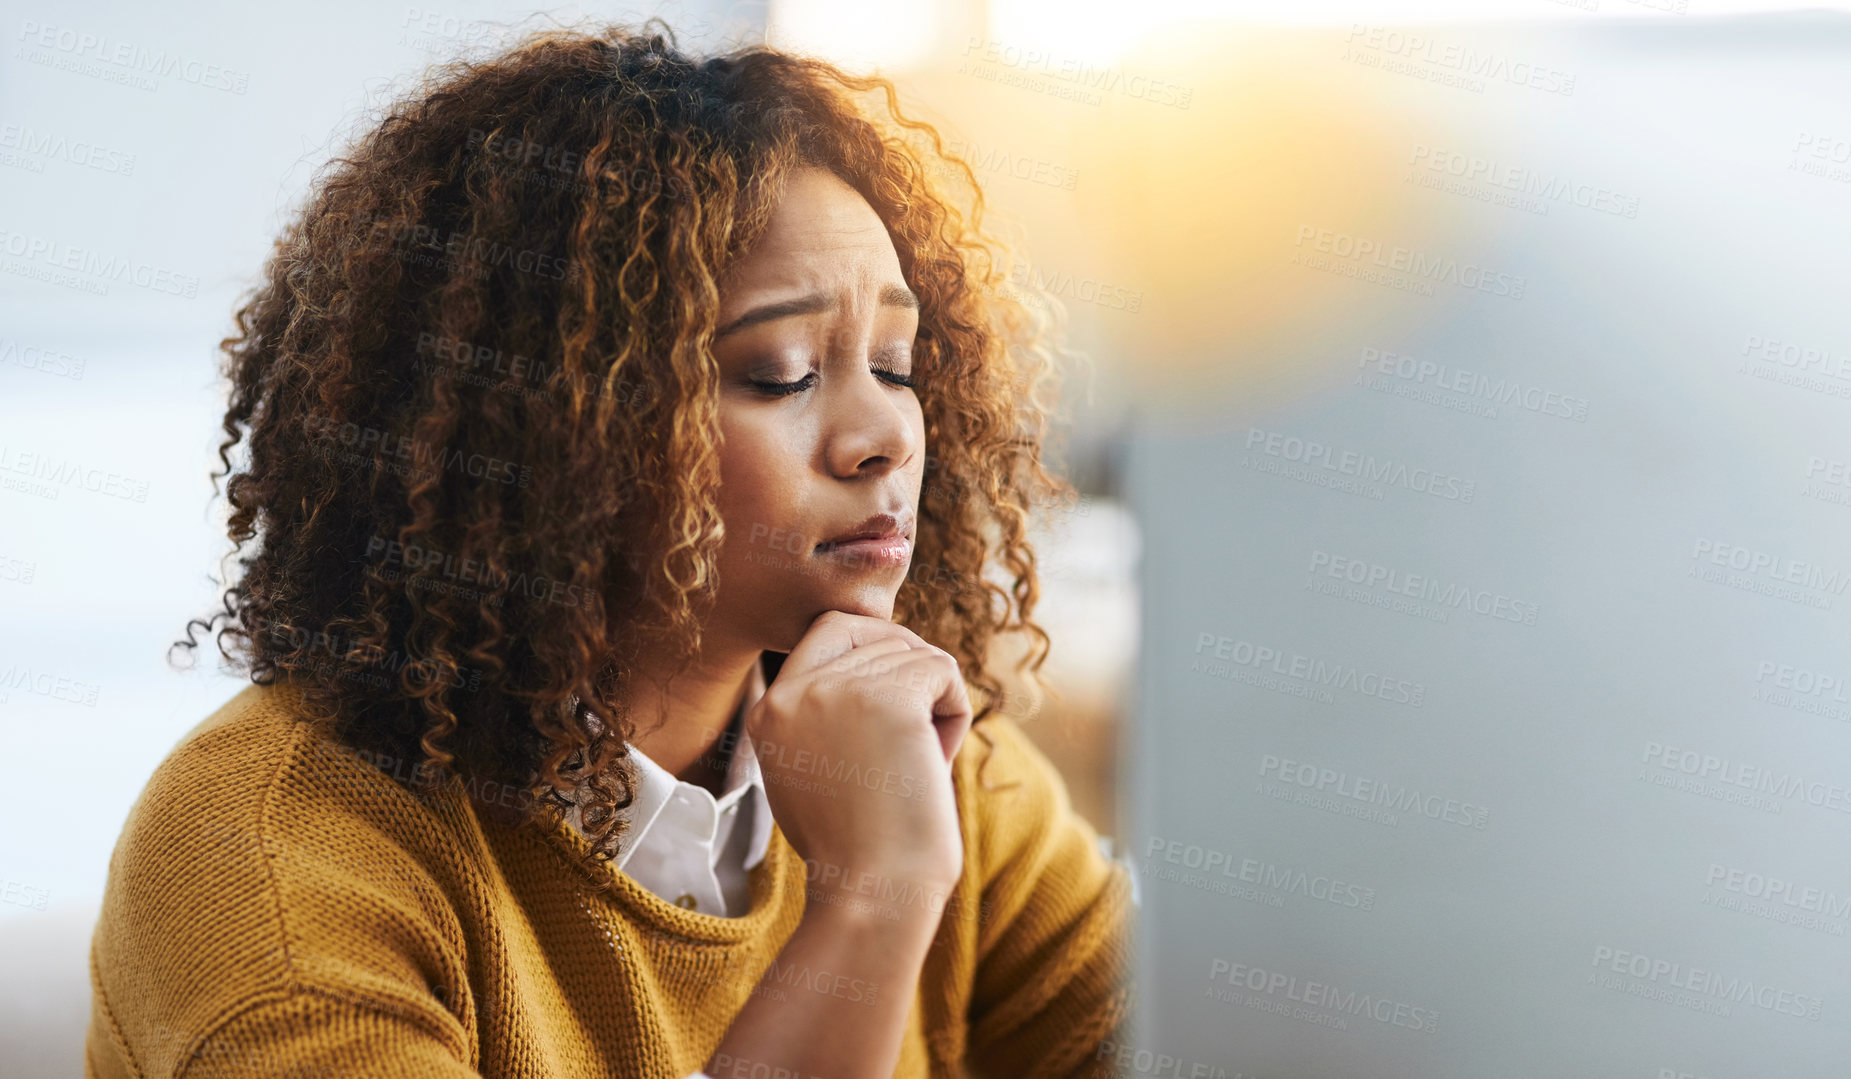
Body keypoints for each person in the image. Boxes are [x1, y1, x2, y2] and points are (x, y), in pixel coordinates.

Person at [84, 22, 1133, 1079]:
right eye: (778, 370)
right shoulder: (273, 852)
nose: (889, 433)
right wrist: (872, 898)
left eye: (898, 363)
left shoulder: (930, 768)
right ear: (550, 426)